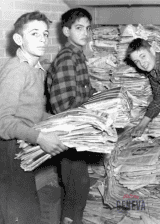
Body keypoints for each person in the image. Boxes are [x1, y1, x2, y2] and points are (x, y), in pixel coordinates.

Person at [0, 11, 67, 224]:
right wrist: (39, 137)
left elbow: (33, 112)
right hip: (6, 152)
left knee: (29, 215)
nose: (42, 39)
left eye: (45, 33)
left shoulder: (37, 70)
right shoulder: (17, 71)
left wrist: (62, 123)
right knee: (20, 218)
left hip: (21, 148)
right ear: (19, 40)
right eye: (34, 33)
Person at [46, 7, 96, 224]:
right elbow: (63, 105)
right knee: (76, 189)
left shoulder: (78, 56)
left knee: (79, 187)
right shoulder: (67, 58)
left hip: (78, 134)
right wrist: (93, 108)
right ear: (66, 31)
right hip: (69, 136)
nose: (85, 33)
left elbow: (83, 93)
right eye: (78, 28)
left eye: (87, 28)